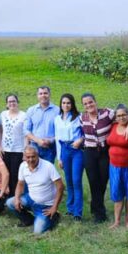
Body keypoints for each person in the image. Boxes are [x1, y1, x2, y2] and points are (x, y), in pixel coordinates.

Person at [6, 146, 64, 234]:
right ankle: (28, 220)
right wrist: (17, 198)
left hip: (46, 206)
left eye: (33, 156)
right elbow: (20, 183)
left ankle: (54, 216)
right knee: (10, 202)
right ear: (24, 157)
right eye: (28, 157)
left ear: (38, 155)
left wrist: (54, 207)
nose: (30, 159)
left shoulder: (48, 166)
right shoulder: (23, 166)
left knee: (38, 231)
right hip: (31, 199)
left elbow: (60, 187)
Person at [79, 92, 114, 223]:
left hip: (105, 152)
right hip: (89, 151)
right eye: (85, 104)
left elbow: (124, 116)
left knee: (103, 181)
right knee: (93, 181)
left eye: (90, 102)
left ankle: (96, 206)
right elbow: (80, 132)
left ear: (95, 101)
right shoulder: (82, 118)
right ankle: (99, 214)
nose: (89, 105)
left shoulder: (107, 113)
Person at [106, 104, 128, 228]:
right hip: (114, 167)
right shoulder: (113, 126)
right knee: (117, 193)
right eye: (118, 115)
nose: (121, 117)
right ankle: (116, 221)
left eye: (124, 115)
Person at [54, 93, 84, 221]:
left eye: (68, 103)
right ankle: (70, 209)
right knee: (69, 181)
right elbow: (57, 139)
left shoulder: (79, 117)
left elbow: (86, 133)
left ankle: (78, 212)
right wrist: (59, 157)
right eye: (63, 103)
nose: (66, 105)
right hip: (64, 150)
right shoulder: (57, 119)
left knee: (76, 181)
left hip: (76, 150)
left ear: (72, 104)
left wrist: (81, 140)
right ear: (61, 104)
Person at [0, 93, 26, 195]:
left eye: (14, 101)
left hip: (18, 150)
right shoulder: (3, 114)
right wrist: (0, 146)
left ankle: (15, 197)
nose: (12, 103)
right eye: (9, 101)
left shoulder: (23, 115)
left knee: (15, 175)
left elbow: (26, 134)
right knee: (6, 174)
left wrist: (24, 151)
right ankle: (6, 195)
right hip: (5, 150)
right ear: (6, 104)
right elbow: (0, 131)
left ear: (17, 102)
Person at [24, 86, 59, 163]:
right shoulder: (31, 110)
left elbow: (60, 131)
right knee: (33, 171)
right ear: (37, 96)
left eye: (45, 93)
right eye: (41, 93)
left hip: (50, 147)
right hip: (34, 146)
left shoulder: (57, 111)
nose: (43, 95)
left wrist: (50, 140)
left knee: (47, 172)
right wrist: (38, 140)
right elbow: (26, 130)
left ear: (49, 94)